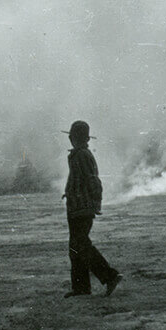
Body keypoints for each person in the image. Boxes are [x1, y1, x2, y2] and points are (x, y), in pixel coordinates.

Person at [62, 120, 121, 297]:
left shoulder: (81, 155)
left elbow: (93, 181)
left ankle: (109, 276)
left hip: (81, 209)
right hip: (77, 208)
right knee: (76, 246)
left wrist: (96, 204)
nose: (71, 139)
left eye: (73, 136)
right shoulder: (79, 155)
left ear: (75, 138)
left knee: (81, 245)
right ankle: (81, 288)